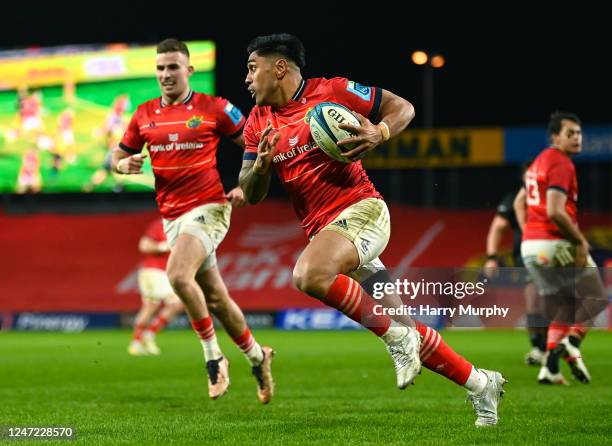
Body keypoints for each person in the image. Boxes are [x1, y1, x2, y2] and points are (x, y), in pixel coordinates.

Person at [239, 33, 505, 426]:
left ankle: (394, 340)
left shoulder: (334, 91)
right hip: (326, 231)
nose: (247, 78)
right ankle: (482, 383)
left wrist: (380, 132)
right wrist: (260, 167)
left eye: (252, 68)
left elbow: (403, 108)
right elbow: (250, 190)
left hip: (363, 212)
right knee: (407, 325)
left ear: (279, 67)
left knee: (309, 275)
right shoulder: (257, 122)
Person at [111, 39, 274, 404]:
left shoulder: (214, 108)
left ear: (189, 70)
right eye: (160, 68)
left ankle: (214, 358)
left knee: (178, 276)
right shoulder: (143, 114)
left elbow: (254, 143)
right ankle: (257, 356)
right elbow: (117, 156)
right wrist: (122, 164)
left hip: (210, 208)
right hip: (172, 215)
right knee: (215, 297)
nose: (166, 74)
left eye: (173, 67)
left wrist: (248, 186)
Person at [517, 111, 607, 385]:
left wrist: (528, 231)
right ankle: (571, 341)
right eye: (570, 133)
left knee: (564, 305)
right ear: (555, 136)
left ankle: (550, 368)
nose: (577, 138)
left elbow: (520, 201)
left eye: (579, 133)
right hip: (555, 242)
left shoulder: (537, 163)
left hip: (531, 245)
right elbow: (556, 211)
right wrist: (579, 239)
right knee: (596, 296)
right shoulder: (561, 163)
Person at [483, 163, 548, 366]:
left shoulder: (551, 196)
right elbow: (498, 227)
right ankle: (539, 347)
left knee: (551, 302)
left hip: (554, 254)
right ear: (523, 175)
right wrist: (492, 257)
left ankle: (550, 346)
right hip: (528, 257)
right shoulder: (515, 199)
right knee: (534, 300)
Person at [128, 218, 185, 356]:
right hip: (153, 271)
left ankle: (144, 337)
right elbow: (144, 245)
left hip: (167, 272)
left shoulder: (186, 226)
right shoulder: (161, 224)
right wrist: (163, 246)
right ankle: (139, 340)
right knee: (156, 305)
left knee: (168, 305)